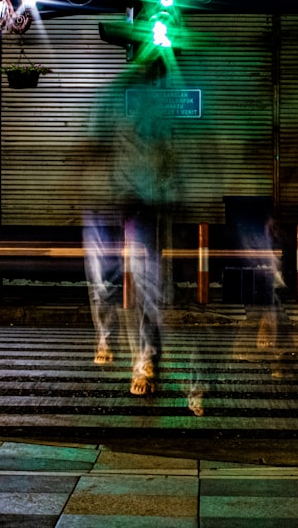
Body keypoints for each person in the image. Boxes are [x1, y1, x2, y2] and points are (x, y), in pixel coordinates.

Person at [83, 44, 182, 396]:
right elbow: (92, 144)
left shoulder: (162, 114)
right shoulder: (111, 102)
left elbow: (172, 163)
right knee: (103, 280)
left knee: (149, 285)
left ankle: (146, 360)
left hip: (144, 205)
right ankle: (105, 338)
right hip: (106, 203)